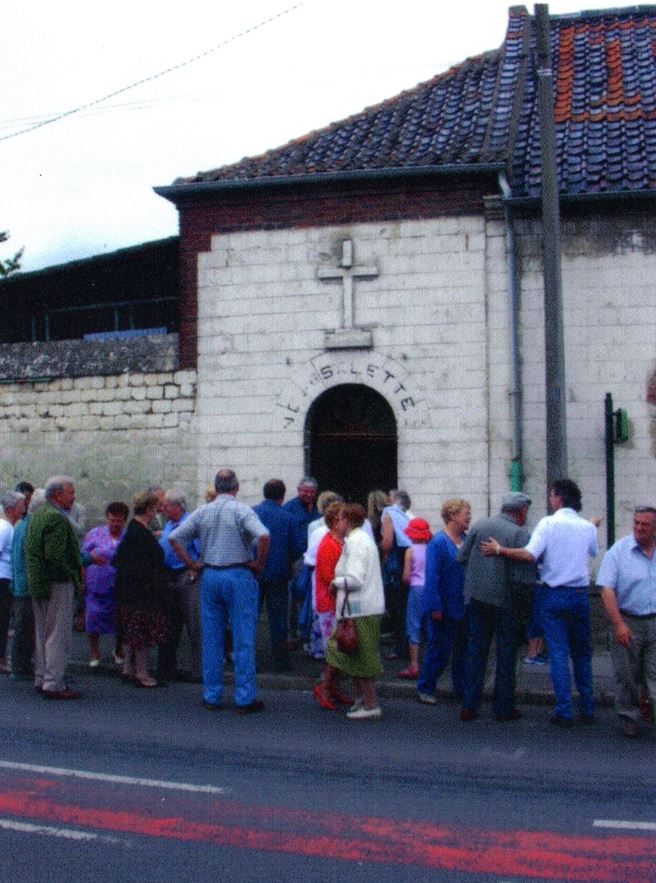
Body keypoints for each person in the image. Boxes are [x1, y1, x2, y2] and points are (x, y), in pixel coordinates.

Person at [481, 478, 599, 728]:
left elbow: (529, 554)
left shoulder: (548, 523)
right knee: (582, 654)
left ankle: (564, 710)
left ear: (558, 498)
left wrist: (500, 549)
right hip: (579, 595)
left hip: (553, 593)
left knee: (557, 652)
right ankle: (587, 707)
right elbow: (592, 552)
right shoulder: (587, 528)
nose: (549, 500)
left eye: (551, 495)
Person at [168, 468, 270, 714]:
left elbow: (174, 538)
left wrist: (192, 564)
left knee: (211, 637)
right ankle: (244, 698)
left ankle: (212, 695)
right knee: (242, 637)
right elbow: (264, 536)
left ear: (216, 487)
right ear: (236, 487)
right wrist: (258, 564)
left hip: (210, 573)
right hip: (238, 573)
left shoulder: (204, 511)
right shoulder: (242, 510)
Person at [457, 492, 535, 722]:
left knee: (476, 652)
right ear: (521, 511)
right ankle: (503, 708)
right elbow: (524, 575)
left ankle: (469, 705)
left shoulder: (480, 525)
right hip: (506, 602)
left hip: (477, 599)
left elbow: (461, 558)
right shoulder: (520, 533)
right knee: (506, 654)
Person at [597, 506, 656, 737]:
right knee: (626, 675)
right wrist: (619, 624)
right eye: (636, 523)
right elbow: (606, 589)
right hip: (628, 621)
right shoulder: (619, 551)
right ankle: (628, 717)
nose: (639, 528)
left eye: (645, 524)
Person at [323, 503, 386, 720]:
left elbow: (355, 579)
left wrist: (335, 582)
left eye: (340, 518)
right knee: (351, 654)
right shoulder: (360, 540)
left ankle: (370, 704)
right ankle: (364, 699)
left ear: (348, 521)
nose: (337, 522)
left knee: (360, 656)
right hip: (361, 608)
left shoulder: (356, 543)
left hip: (359, 609)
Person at [24, 476, 84, 699]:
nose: (73, 496)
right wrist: (73, 575)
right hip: (57, 583)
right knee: (58, 635)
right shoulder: (57, 519)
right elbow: (56, 557)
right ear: (58, 494)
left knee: (42, 633)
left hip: (38, 582)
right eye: (71, 492)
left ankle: (42, 677)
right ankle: (54, 682)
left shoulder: (38, 515)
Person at [416, 498, 471, 705]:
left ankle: (461, 689)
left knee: (462, 651)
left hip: (463, 606)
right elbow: (432, 577)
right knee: (439, 650)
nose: (469, 517)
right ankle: (426, 687)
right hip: (443, 607)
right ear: (453, 516)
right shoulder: (438, 543)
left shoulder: (466, 540)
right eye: (466, 513)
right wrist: (435, 606)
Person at [112, 492, 169, 688]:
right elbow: (145, 563)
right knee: (140, 634)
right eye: (155, 509)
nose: (157, 512)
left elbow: (119, 559)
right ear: (148, 510)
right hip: (141, 592)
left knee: (129, 632)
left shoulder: (134, 530)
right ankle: (142, 673)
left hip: (127, 590)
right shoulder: (141, 533)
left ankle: (128, 668)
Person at [156, 490, 202, 684]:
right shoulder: (169, 524)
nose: (163, 509)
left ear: (177, 507)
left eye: (166, 506)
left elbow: (200, 552)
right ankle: (169, 669)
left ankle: (198, 670)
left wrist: (194, 569)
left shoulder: (191, 525)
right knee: (171, 625)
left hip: (186, 576)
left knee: (195, 625)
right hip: (170, 576)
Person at [253, 479, 298, 672]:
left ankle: (245, 657)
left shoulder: (251, 513)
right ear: (282, 496)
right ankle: (280, 661)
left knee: (249, 617)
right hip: (279, 573)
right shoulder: (289, 518)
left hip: (253, 572)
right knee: (278, 619)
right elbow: (296, 548)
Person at [82, 501, 129, 667]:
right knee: (93, 617)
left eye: (119, 521)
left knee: (121, 619)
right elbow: (84, 557)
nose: (115, 524)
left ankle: (118, 650)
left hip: (120, 585)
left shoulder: (128, 537)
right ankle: (94, 652)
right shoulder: (95, 533)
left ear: (124, 520)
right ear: (107, 519)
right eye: (112, 520)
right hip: (96, 584)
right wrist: (82, 581)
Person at [311, 502, 348, 707]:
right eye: (344, 518)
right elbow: (328, 577)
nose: (347, 522)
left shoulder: (339, 542)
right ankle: (324, 687)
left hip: (337, 604)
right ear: (335, 522)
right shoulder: (329, 544)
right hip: (329, 604)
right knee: (334, 651)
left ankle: (333, 688)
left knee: (339, 650)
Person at [10, 489, 46, 680]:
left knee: (25, 628)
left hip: (21, 583)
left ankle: (21, 666)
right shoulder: (31, 526)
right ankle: (20, 667)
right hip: (28, 585)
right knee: (25, 628)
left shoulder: (22, 525)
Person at [397, 517, 433, 680]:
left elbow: (405, 577)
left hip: (416, 588)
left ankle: (414, 665)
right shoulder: (432, 548)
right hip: (431, 588)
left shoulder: (410, 551)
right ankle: (431, 663)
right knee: (430, 626)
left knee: (413, 625)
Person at [381, 489, 414, 660]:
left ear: (395, 500)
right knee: (407, 606)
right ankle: (409, 645)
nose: (387, 499)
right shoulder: (409, 515)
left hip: (396, 561)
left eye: (390, 497)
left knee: (396, 606)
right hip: (410, 558)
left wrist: (380, 551)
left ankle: (400, 648)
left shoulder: (389, 512)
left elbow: (387, 542)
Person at [0, 491, 26, 674]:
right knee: (2, 620)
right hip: (3, 578)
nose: (23, 510)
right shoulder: (5, 528)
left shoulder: (9, 527)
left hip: (5, 578)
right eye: (20, 507)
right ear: (11, 510)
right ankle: (1, 659)